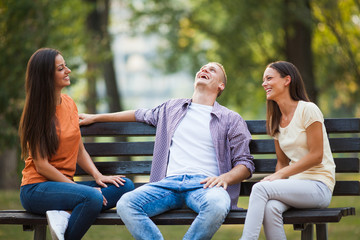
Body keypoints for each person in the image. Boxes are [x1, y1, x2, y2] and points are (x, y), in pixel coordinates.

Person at [79, 62, 255, 240]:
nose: (204, 70)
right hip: (167, 185)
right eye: (202, 68)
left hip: (205, 187)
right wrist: (96, 117)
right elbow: (138, 114)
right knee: (126, 203)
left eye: (212, 70)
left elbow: (245, 164)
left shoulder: (231, 119)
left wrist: (223, 178)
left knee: (218, 205)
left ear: (221, 86)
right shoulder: (171, 108)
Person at [18, 48, 134, 240]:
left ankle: (64, 213)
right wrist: (84, 190)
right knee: (92, 197)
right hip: (37, 189)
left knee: (125, 186)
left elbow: (79, 150)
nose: (68, 71)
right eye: (61, 68)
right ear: (46, 76)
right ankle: (68, 210)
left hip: (66, 187)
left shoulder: (69, 103)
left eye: (66, 66)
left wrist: (98, 176)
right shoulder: (37, 113)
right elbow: (42, 166)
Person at [239, 61, 335, 240]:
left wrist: (277, 178)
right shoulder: (276, 119)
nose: (264, 84)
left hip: (319, 186)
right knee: (270, 207)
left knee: (260, 189)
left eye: (269, 78)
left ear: (287, 80)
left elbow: (316, 155)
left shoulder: (308, 109)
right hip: (295, 188)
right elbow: (282, 163)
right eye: (263, 80)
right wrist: (278, 178)